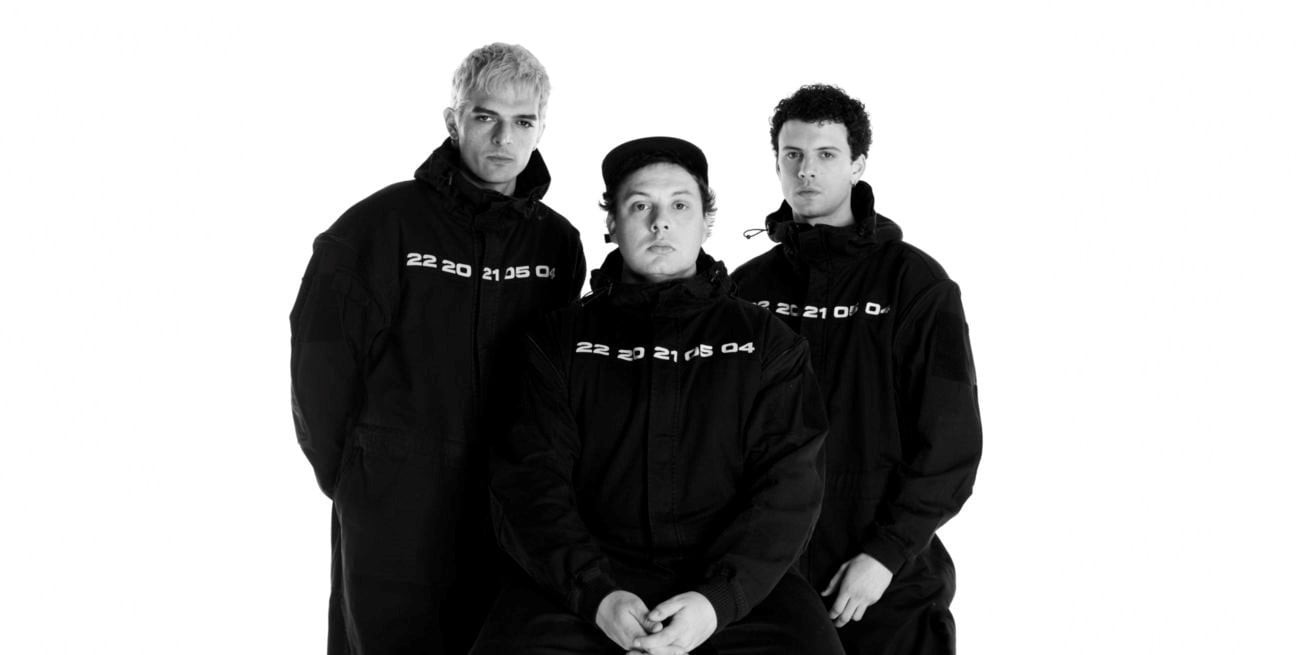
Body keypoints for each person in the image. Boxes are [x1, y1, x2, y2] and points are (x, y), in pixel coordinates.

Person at [472, 137, 843, 655]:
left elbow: (789, 488)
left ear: (707, 221)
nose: (660, 223)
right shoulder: (556, 341)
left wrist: (717, 602)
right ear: (611, 222)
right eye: (640, 205)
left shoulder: (767, 343)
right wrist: (596, 596)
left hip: (731, 585)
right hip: (587, 585)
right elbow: (530, 486)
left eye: (680, 206)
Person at [289, 43, 585, 654]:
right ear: (453, 120)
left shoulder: (556, 244)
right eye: (485, 116)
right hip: (393, 502)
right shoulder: (377, 228)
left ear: (541, 130)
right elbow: (319, 368)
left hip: (509, 505)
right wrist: (360, 476)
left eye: (522, 121)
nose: (503, 137)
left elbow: (560, 379)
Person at [732, 84, 983, 654]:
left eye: (826, 155)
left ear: (858, 164)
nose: (806, 171)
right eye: (793, 155)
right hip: (770, 577)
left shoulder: (916, 285)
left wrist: (885, 555)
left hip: (886, 578)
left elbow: (951, 444)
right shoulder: (747, 290)